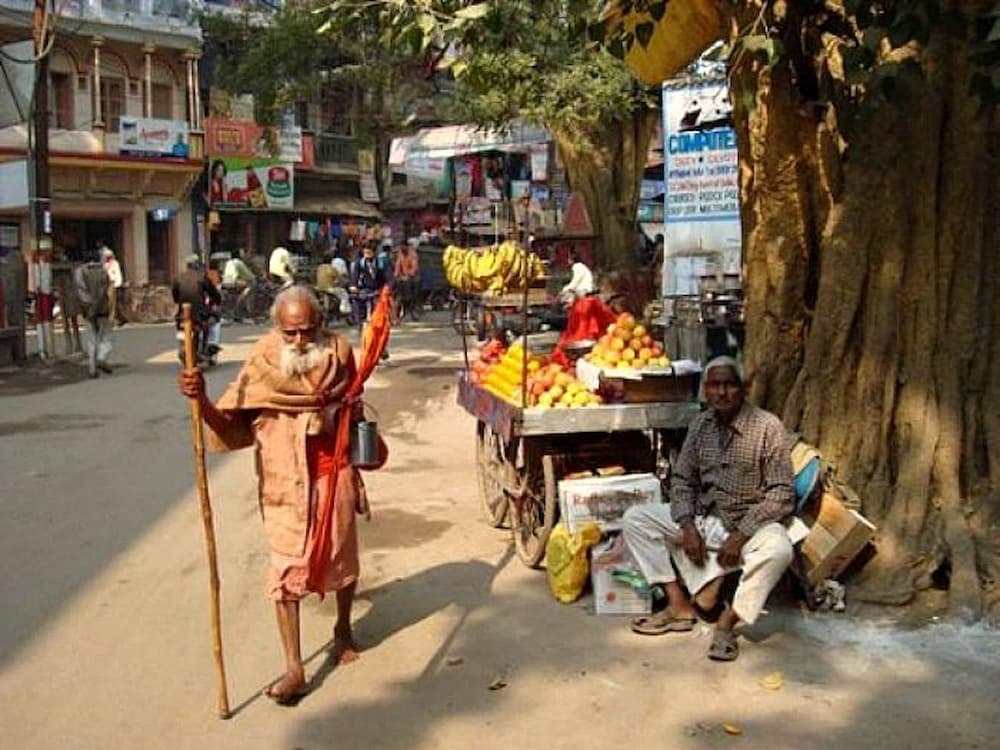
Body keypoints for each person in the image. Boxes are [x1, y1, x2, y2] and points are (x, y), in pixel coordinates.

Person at [176, 286, 363, 704]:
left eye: (307, 331)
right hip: (283, 478)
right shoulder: (263, 359)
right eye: (291, 333)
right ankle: (295, 667)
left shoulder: (339, 352)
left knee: (342, 554)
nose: (299, 341)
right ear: (277, 329)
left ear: (320, 325)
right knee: (286, 567)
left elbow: (356, 406)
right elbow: (228, 419)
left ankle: (343, 628)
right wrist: (200, 396)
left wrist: (360, 458)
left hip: (333, 472)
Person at [622, 356, 795, 661]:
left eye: (729, 384)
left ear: (743, 388)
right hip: (705, 519)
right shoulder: (701, 425)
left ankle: (728, 622)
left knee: (779, 549)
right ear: (705, 389)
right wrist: (687, 526)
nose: (721, 392)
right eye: (714, 385)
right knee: (636, 519)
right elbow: (682, 479)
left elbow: (781, 493)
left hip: (749, 523)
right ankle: (679, 605)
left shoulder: (768, 427)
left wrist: (741, 534)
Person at [172, 255, 223, 357]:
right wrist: (217, 301)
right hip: (200, 314)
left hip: (182, 314)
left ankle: (189, 348)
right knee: (216, 317)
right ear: (197, 265)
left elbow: (175, 296)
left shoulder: (178, 277)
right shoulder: (202, 277)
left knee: (181, 325)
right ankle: (211, 344)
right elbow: (213, 293)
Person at [74, 250, 114, 377]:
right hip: (102, 309)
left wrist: (88, 308)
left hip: (87, 309)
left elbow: (80, 291)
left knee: (91, 338)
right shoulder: (103, 272)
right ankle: (102, 357)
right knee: (105, 335)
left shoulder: (80, 272)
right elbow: (106, 290)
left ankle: (92, 368)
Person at [222, 249, 256, 322]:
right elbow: (249, 275)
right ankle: (242, 305)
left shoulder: (228, 262)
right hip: (234, 282)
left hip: (225, 282)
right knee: (251, 286)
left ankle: (238, 306)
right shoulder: (238, 262)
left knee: (243, 285)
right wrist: (253, 278)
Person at [101, 245, 127, 327]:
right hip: (105, 284)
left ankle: (113, 320)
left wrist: (117, 284)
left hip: (112, 284)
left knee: (112, 303)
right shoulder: (105, 264)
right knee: (108, 303)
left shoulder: (114, 263)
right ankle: (111, 319)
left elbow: (117, 274)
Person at [392, 241, 420, 317]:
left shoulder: (413, 254)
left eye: (403, 247)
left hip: (413, 277)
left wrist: (409, 275)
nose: (402, 249)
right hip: (403, 277)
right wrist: (395, 276)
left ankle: (413, 308)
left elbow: (414, 267)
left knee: (413, 290)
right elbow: (398, 266)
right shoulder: (400, 254)